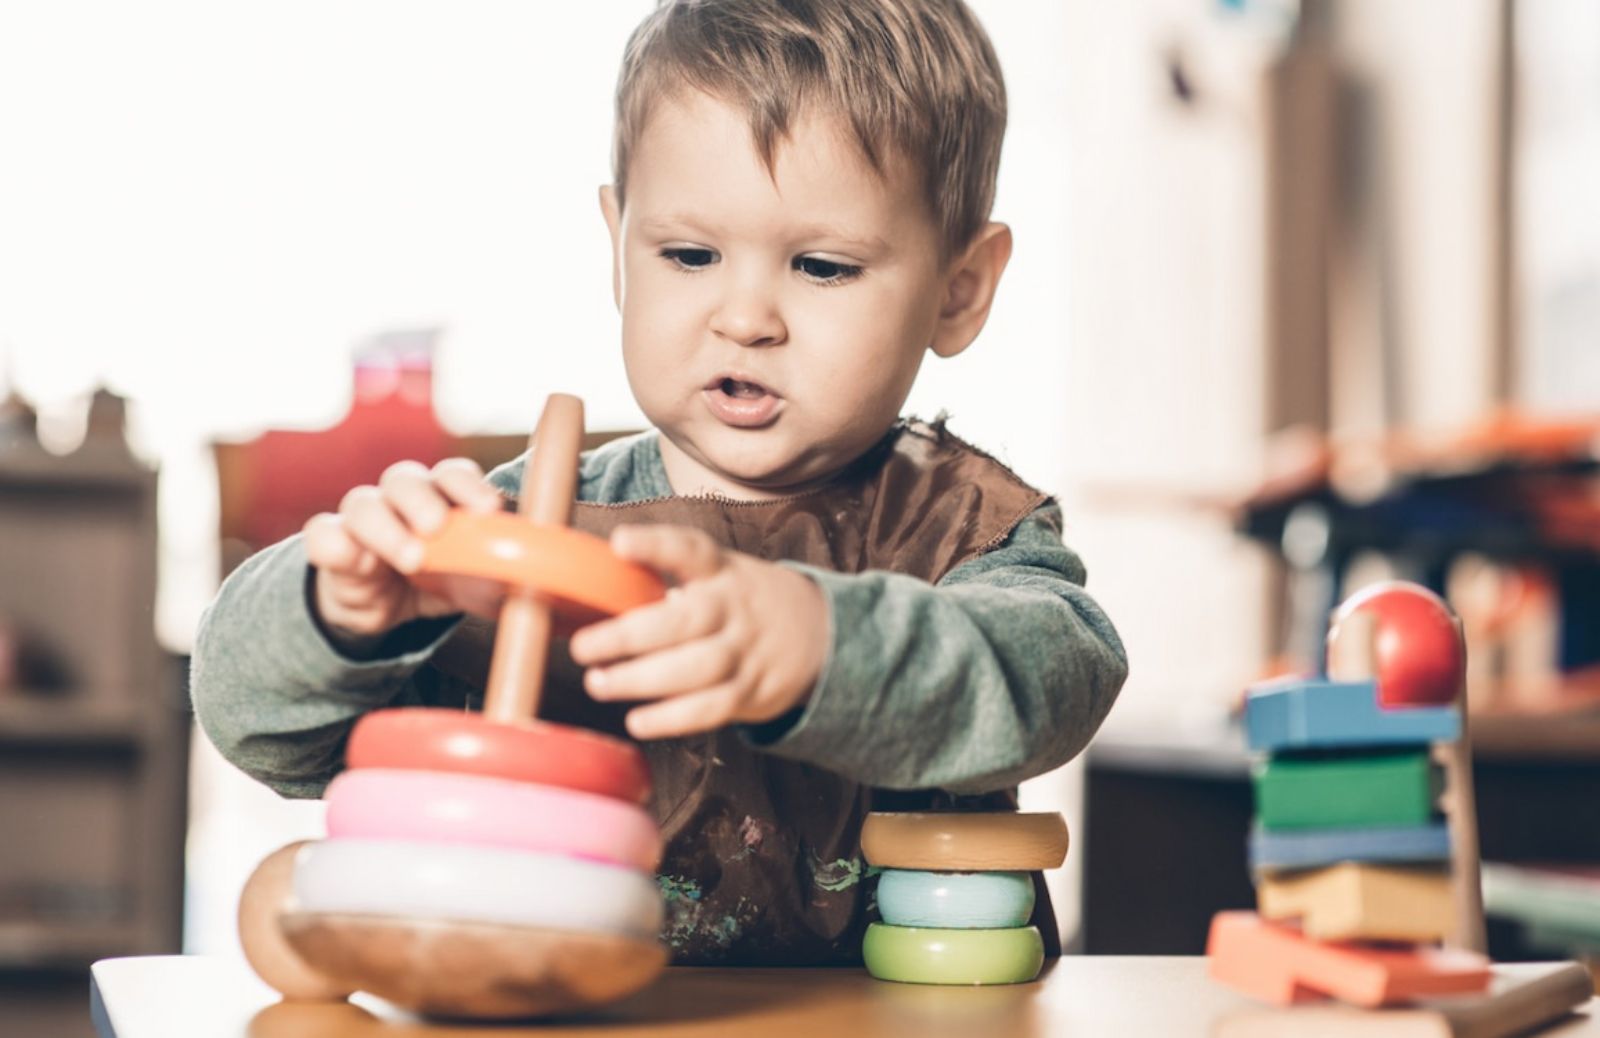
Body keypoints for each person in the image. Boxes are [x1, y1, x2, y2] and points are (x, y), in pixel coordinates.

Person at [192, 0, 1128, 965]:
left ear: (960, 288)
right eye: (689, 254)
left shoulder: (966, 530)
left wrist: (821, 644)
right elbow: (253, 724)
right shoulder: (514, 534)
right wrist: (337, 611)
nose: (746, 317)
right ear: (619, 245)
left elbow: (1059, 674)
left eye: (821, 265)